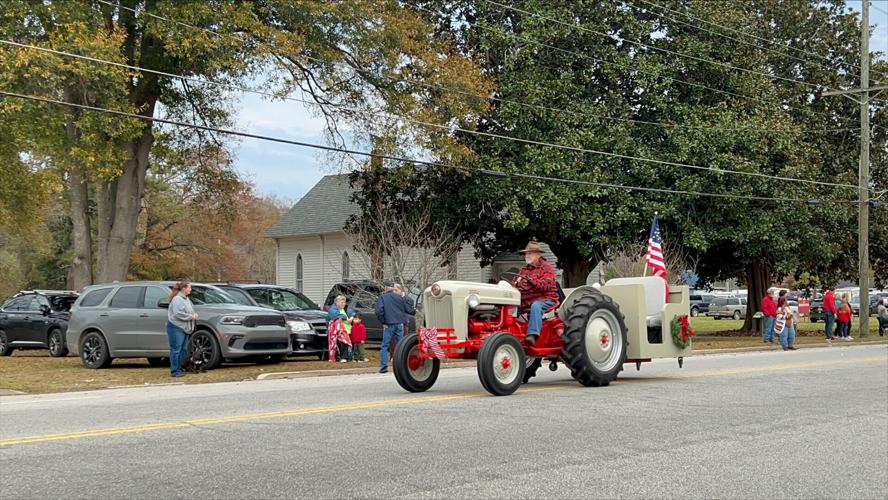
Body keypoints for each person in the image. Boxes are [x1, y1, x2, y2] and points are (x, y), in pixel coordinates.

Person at [511, 240, 559, 347]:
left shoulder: (546, 268)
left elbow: (545, 285)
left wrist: (530, 281)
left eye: (530, 253)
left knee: (536, 305)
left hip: (546, 298)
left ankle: (532, 335)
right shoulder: (524, 269)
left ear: (538, 255)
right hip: (525, 300)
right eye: (526, 253)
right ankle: (509, 333)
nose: (526, 255)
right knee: (509, 308)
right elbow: (515, 283)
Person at [374, 280, 415, 373]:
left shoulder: (382, 298)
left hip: (388, 324)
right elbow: (409, 310)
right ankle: (402, 365)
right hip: (399, 324)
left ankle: (384, 366)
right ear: (393, 288)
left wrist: (383, 321)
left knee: (385, 345)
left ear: (385, 288)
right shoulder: (400, 297)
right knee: (401, 345)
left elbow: (378, 311)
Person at [167, 280, 197, 378]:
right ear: (184, 289)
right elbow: (178, 313)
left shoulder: (186, 299)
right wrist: (190, 317)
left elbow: (190, 310)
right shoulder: (177, 299)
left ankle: (181, 367)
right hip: (176, 327)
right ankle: (175, 371)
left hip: (184, 328)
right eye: (189, 287)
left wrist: (193, 314)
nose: (190, 289)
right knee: (176, 349)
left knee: (183, 349)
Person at [326, 295, 355, 362]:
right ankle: (342, 357)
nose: (343, 304)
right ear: (337, 302)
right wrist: (344, 317)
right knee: (342, 343)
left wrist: (351, 318)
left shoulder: (346, 309)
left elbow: (353, 313)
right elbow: (335, 316)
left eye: (344, 302)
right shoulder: (333, 309)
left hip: (348, 330)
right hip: (337, 331)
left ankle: (349, 356)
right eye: (341, 302)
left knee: (348, 344)